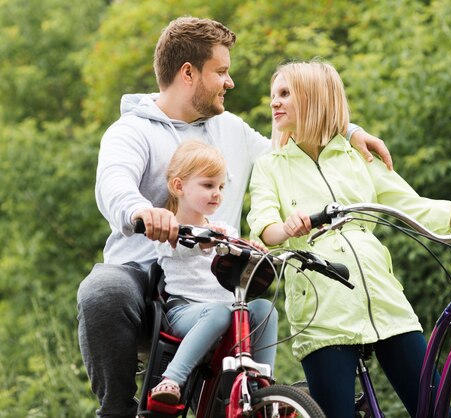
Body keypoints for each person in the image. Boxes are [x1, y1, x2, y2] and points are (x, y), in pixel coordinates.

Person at [76, 16, 392, 418]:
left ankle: (249, 404)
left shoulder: (232, 131)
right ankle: (117, 410)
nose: (230, 82)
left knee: (259, 312)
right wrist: (142, 210)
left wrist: (348, 131)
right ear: (188, 73)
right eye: (221, 72)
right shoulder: (131, 131)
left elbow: (290, 153)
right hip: (141, 269)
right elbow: (113, 183)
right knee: (101, 291)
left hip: (211, 275)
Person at [247, 60, 451, 418]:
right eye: (274, 95)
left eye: (284, 93)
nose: (274, 103)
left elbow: (418, 208)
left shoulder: (356, 156)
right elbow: (264, 226)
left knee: (436, 412)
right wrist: (287, 227)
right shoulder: (271, 165)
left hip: (385, 301)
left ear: (313, 98)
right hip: (323, 309)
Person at [147, 141, 277, 404]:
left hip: (231, 311)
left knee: (265, 310)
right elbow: (179, 250)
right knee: (218, 313)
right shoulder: (169, 228)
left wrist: (252, 252)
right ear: (179, 186)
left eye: (220, 187)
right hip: (185, 311)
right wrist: (203, 243)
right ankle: (171, 379)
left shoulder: (224, 230)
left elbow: (237, 260)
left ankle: (262, 387)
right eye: (208, 185)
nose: (217, 193)